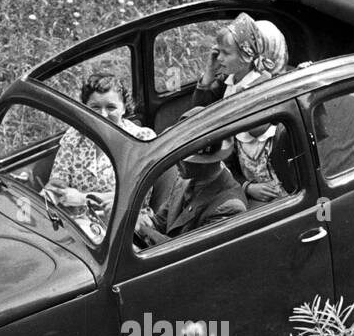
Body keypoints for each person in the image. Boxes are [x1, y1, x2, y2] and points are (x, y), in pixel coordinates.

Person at [190, 14, 290, 201]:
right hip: (245, 179)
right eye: (217, 52)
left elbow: (255, 129)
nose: (219, 58)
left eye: (226, 53)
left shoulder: (261, 85)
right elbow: (198, 115)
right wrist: (210, 72)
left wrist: (246, 95)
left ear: (246, 56)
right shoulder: (227, 84)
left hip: (273, 184)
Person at [45, 72, 155, 224]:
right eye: (95, 107)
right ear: (85, 109)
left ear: (124, 108)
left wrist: (84, 198)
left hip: (125, 224)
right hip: (77, 224)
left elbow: (139, 195)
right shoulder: (74, 136)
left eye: (111, 107)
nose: (103, 115)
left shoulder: (141, 139)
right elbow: (57, 185)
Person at [135, 136, 247, 246]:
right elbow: (160, 221)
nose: (175, 163)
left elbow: (188, 252)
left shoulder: (230, 208)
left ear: (204, 163)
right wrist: (142, 221)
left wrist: (143, 229)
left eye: (182, 159)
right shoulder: (183, 181)